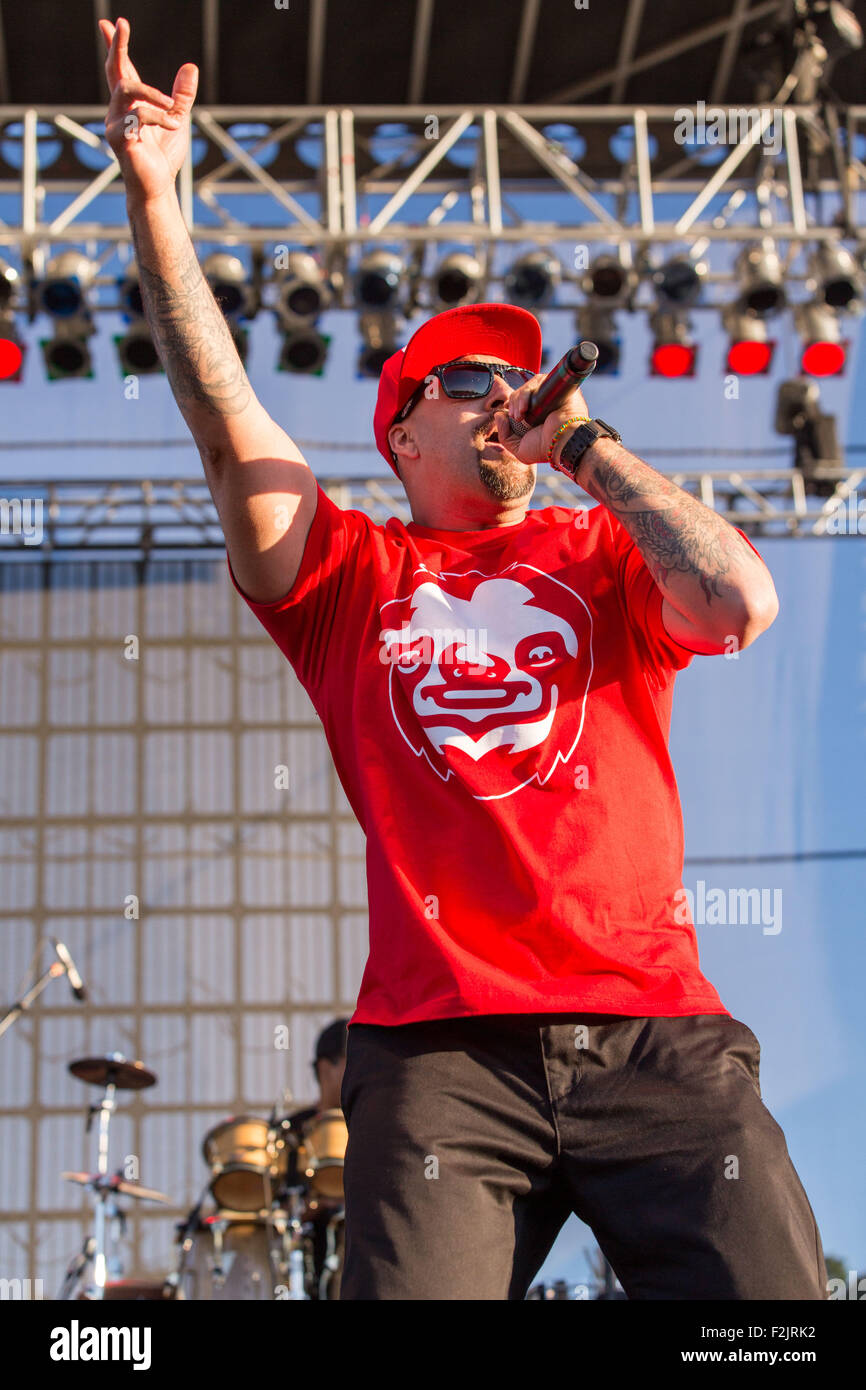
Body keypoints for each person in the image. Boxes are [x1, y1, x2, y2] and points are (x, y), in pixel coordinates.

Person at [99, 17, 828, 1301]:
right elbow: (224, 426)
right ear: (399, 436)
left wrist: (588, 444)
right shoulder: (350, 578)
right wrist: (156, 201)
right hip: (442, 1054)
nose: (504, 389)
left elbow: (736, 601)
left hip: (652, 1030)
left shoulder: (598, 550)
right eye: (467, 378)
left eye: (516, 371)